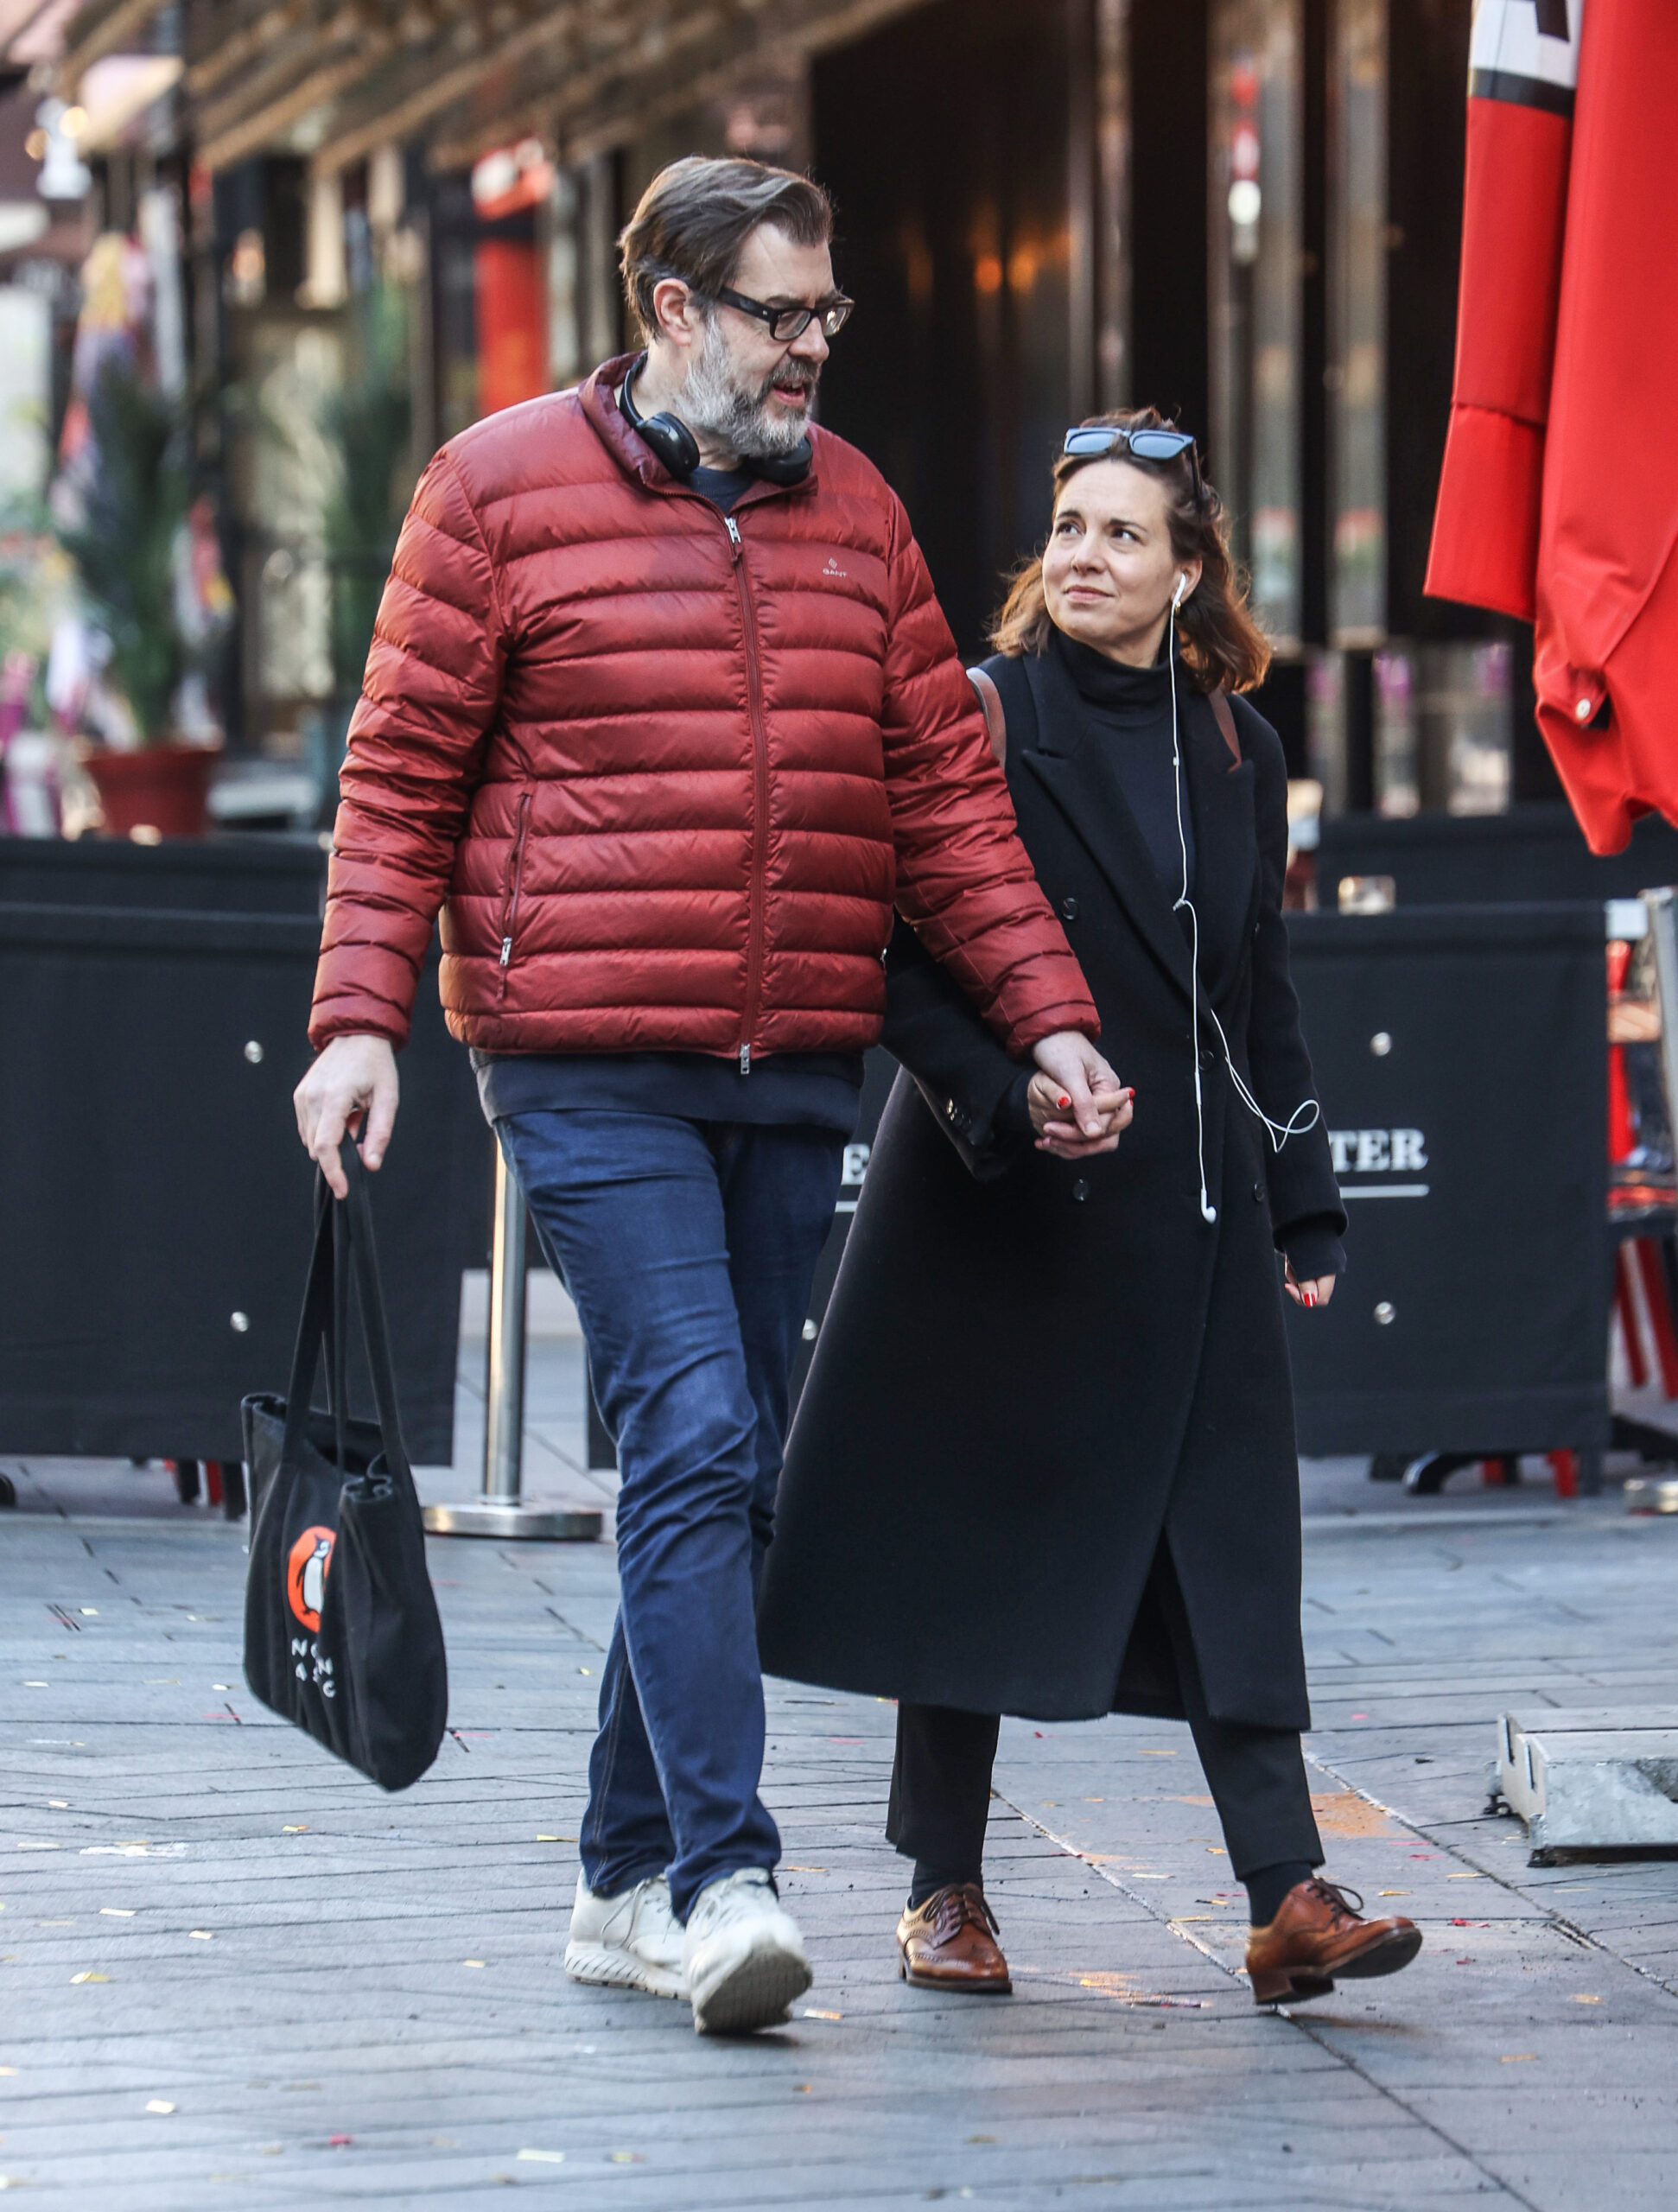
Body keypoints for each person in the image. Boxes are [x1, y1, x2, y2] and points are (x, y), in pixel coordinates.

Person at [291, 156, 1119, 2037]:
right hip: (583, 1059)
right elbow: (398, 776)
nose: (812, 345)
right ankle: (718, 1874)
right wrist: (358, 1020)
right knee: (690, 1427)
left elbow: (945, 803)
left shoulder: (860, 513)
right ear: (671, 306)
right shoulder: (494, 489)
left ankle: (615, 1878)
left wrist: (1047, 1021)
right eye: (778, 312)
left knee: (726, 1463)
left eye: (827, 313)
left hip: (792, 1060)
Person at [757, 410, 1422, 2011]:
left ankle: (1283, 1893)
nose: (1083, 556)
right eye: (1067, 527)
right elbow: (882, 953)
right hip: (992, 1194)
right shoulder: (976, 718)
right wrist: (1003, 1097)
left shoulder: (1239, 751)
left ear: (1188, 572)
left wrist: (1305, 1204)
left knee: (1229, 1543)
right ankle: (941, 1891)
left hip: (1186, 1210)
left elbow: (1256, 999)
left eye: (1123, 534)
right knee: (966, 1538)